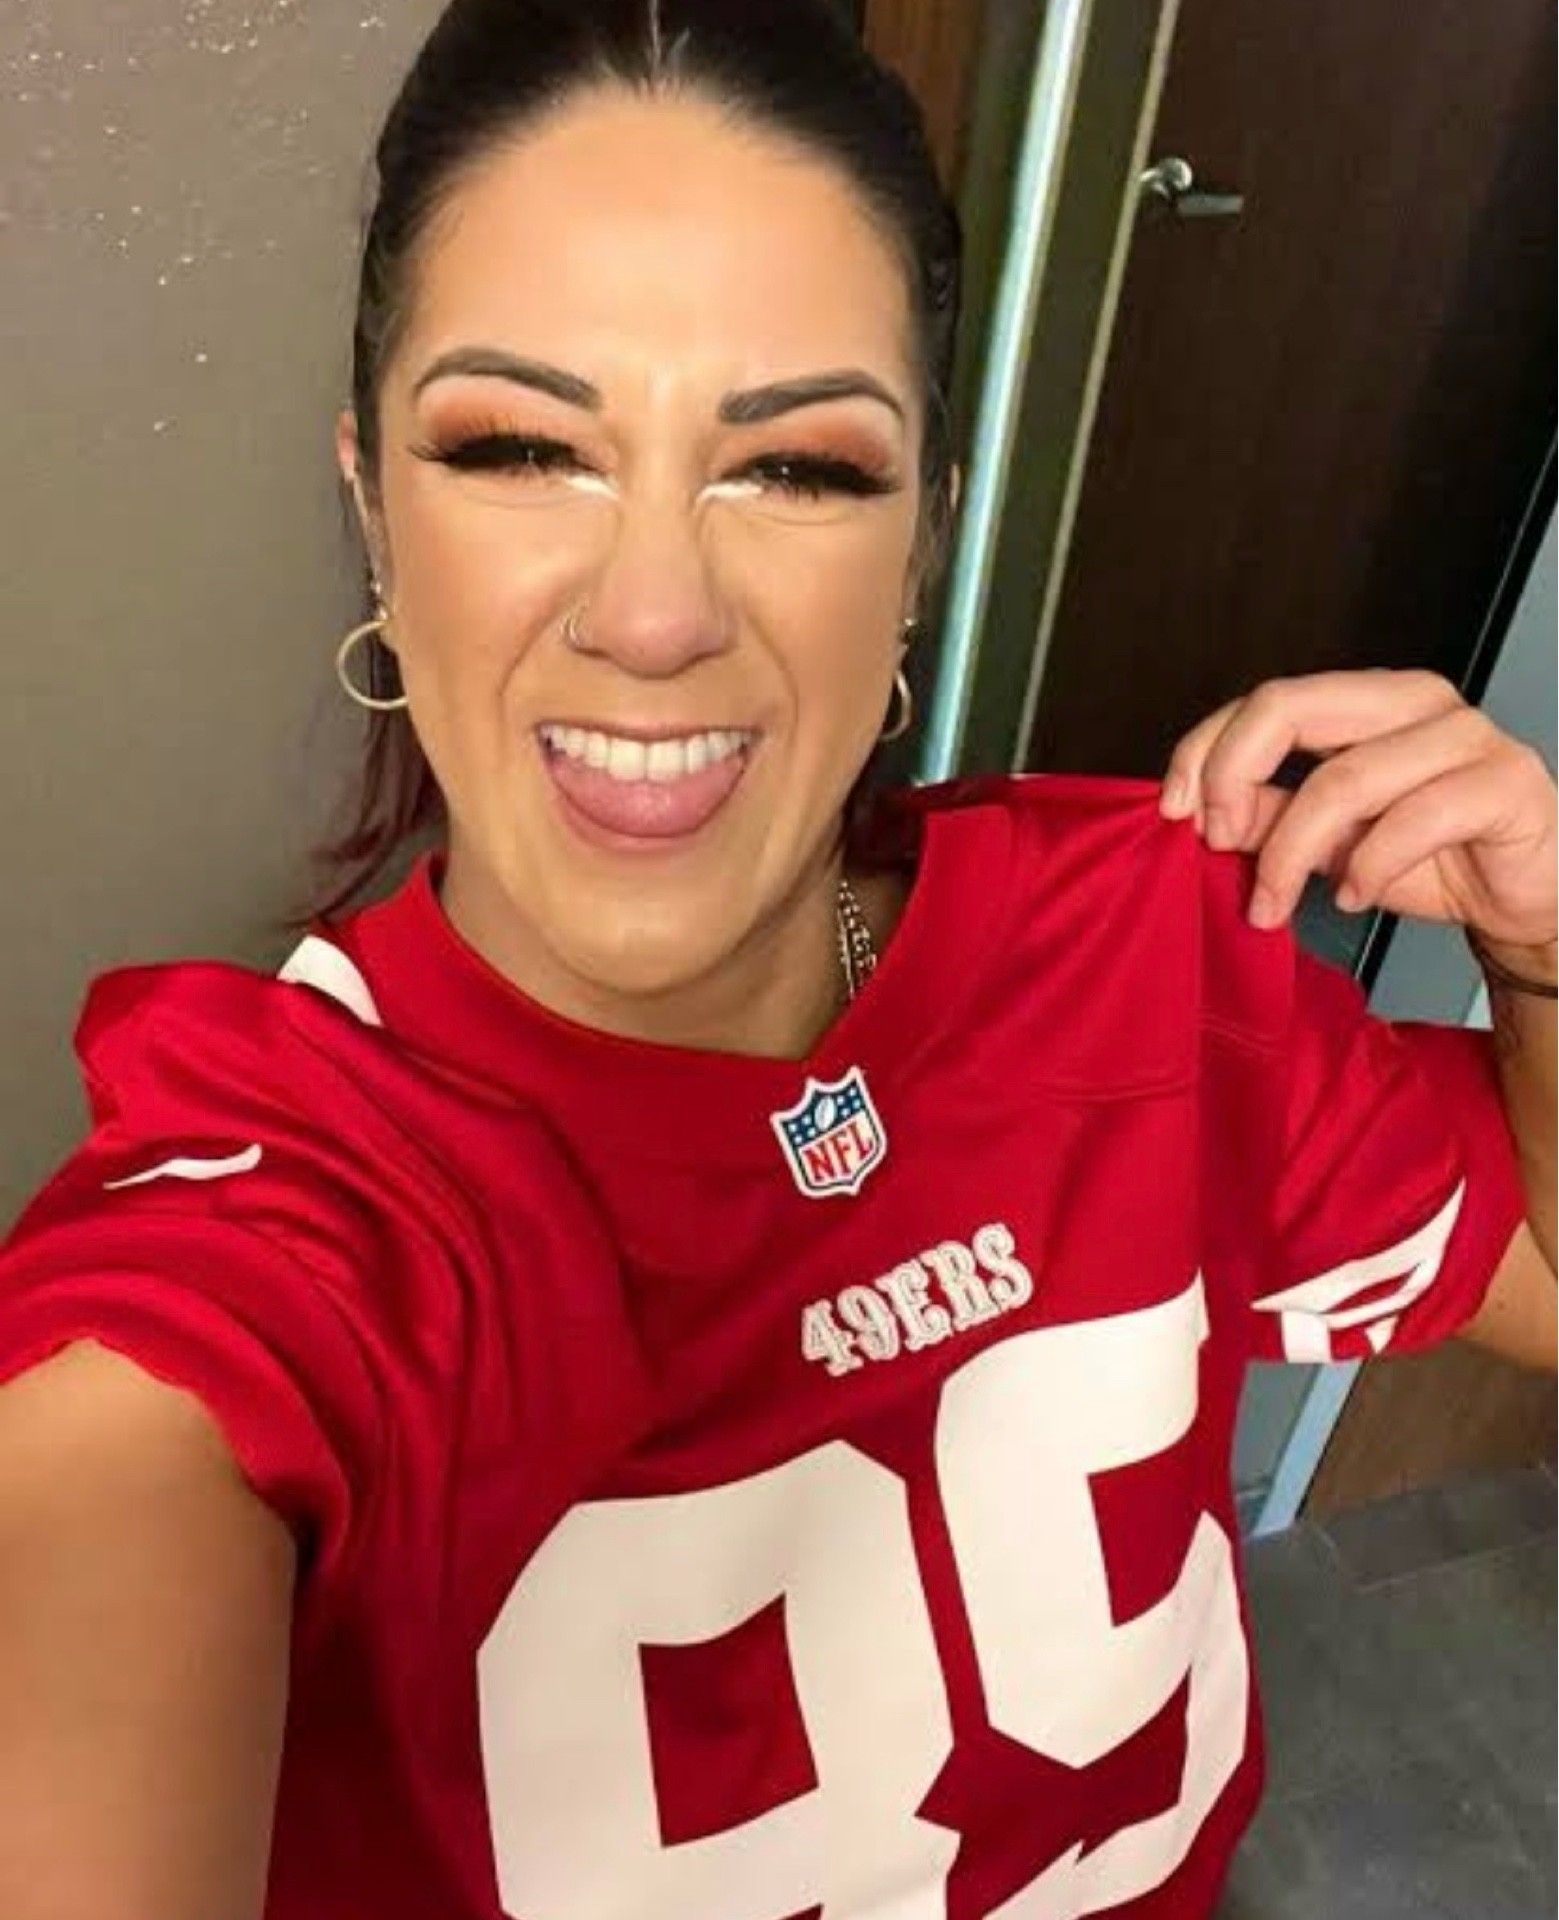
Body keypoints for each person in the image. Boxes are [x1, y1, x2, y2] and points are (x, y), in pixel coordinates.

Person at [0, 2, 1553, 1915]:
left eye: (800, 469)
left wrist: (1545, 950)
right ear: (375, 515)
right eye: (519, 448)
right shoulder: (270, 1242)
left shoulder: (1141, 953)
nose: (655, 613)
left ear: (922, 549)